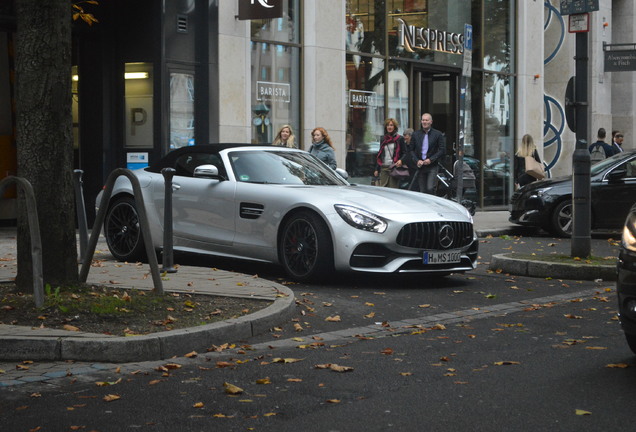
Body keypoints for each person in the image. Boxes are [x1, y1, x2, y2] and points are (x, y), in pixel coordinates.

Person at [410, 113, 446, 194]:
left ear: (431, 122)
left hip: (432, 166)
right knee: (422, 190)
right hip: (421, 166)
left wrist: (431, 159)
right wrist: (417, 160)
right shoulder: (416, 134)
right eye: (423, 120)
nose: (424, 122)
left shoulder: (437, 134)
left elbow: (442, 150)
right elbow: (411, 150)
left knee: (430, 188)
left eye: (426, 120)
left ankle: (432, 205)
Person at [373, 118, 406, 188]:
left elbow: (405, 153)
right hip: (384, 167)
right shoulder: (383, 139)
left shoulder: (400, 139)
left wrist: (401, 160)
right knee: (383, 189)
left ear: (394, 127)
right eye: (388, 125)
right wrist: (377, 169)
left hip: (394, 167)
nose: (389, 127)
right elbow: (380, 154)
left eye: (391, 125)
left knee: (393, 189)